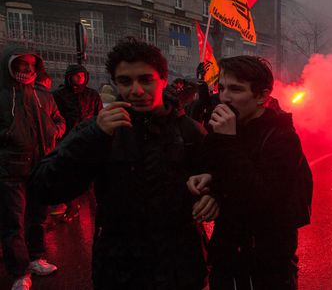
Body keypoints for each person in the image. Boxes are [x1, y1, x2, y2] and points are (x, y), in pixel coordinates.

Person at [29, 37, 216, 289]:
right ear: (115, 83)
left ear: (162, 80)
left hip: (178, 266)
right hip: (118, 267)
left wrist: (212, 193)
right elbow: (45, 186)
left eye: (145, 79)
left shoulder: (190, 132)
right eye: (125, 81)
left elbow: (218, 183)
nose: (136, 90)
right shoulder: (102, 129)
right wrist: (92, 136)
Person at [186, 55, 312, 289]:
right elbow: (212, 168)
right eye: (221, 88)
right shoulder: (223, 127)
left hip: (267, 264)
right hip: (227, 257)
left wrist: (228, 141)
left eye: (235, 89)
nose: (224, 97)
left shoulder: (282, 137)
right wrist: (208, 186)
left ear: (262, 96)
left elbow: (263, 196)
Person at [0, 46, 65, 290]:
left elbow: (59, 118)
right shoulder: (3, 96)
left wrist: (55, 131)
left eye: (30, 65)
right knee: (13, 222)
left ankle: (37, 257)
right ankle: (19, 272)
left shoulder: (44, 96)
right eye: (20, 65)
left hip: (40, 167)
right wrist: (9, 136)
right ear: (9, 66)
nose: (25, 70)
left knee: (37, 218)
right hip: (10, 170)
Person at [51, 64, 103, 220]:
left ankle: (97, 208)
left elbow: (99, 115)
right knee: (68, 173)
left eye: (82, 75)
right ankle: (71, 204)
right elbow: (55, 116)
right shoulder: (59, 95)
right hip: (68, 139)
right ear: (69, 77)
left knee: (93, 174)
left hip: (89, 138)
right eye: (76, 75)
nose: (79, 79)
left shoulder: (92, 95)